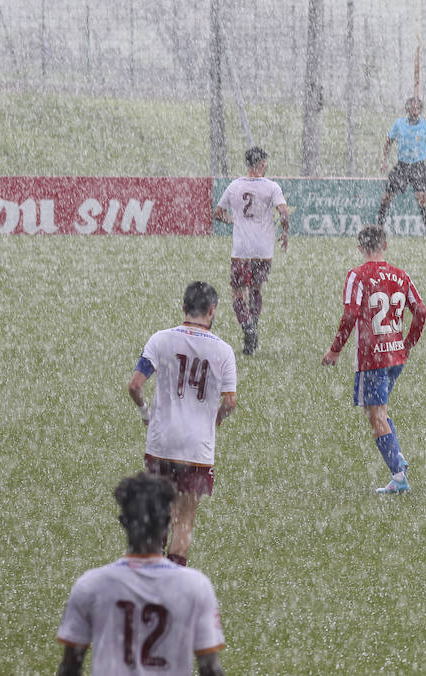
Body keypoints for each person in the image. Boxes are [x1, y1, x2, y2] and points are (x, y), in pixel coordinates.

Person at [56, 473, 226, 676]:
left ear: (123, 522)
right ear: (167, 521)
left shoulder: (91, 585)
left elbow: (70, 668)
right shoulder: (195, 587)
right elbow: (210, 669)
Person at [127, 281, 238, 565]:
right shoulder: (223, 351)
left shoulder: (161, 339)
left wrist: (145, 413)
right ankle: (172, 579)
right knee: (184, 519)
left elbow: (135, 385)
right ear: (212, 310)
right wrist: (216, 420)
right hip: (196, 448)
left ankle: (150, 572)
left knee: (157, 514)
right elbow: (230, 402)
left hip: (162, 442)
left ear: (183, 308)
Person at [322, 225, 426, 494]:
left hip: (373, 357)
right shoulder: (401, 275)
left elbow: (349, 315)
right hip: (395, 355)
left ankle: (398, 471)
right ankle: (397, 458)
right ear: (385, 245)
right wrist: (409, 344)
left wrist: (335, 350)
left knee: (375, 416)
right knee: (378, 410)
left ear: (360, 248)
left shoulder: (357, 276)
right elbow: (421, 311)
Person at [213, 146, 291, 356]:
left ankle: (247, 325)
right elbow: (283, 212)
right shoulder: (271, 187)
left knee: (238, 292)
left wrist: (233, 220)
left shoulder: (234, 186)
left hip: (242, 249)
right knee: (256, 289)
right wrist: (284, 234)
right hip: (263, 250)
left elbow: (218, 213)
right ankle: (253, 325)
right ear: (262, 163)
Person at [376, 96, 426, 236]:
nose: (414, 110)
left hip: (417, 166)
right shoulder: (399, 124)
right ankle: (379, 227)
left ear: (420, 110)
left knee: (421, 198)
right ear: (407, 109)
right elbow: (388, 142)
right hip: (402, 166)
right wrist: (384, 161)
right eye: (412, 108)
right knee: (386, 196)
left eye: (417, 108)